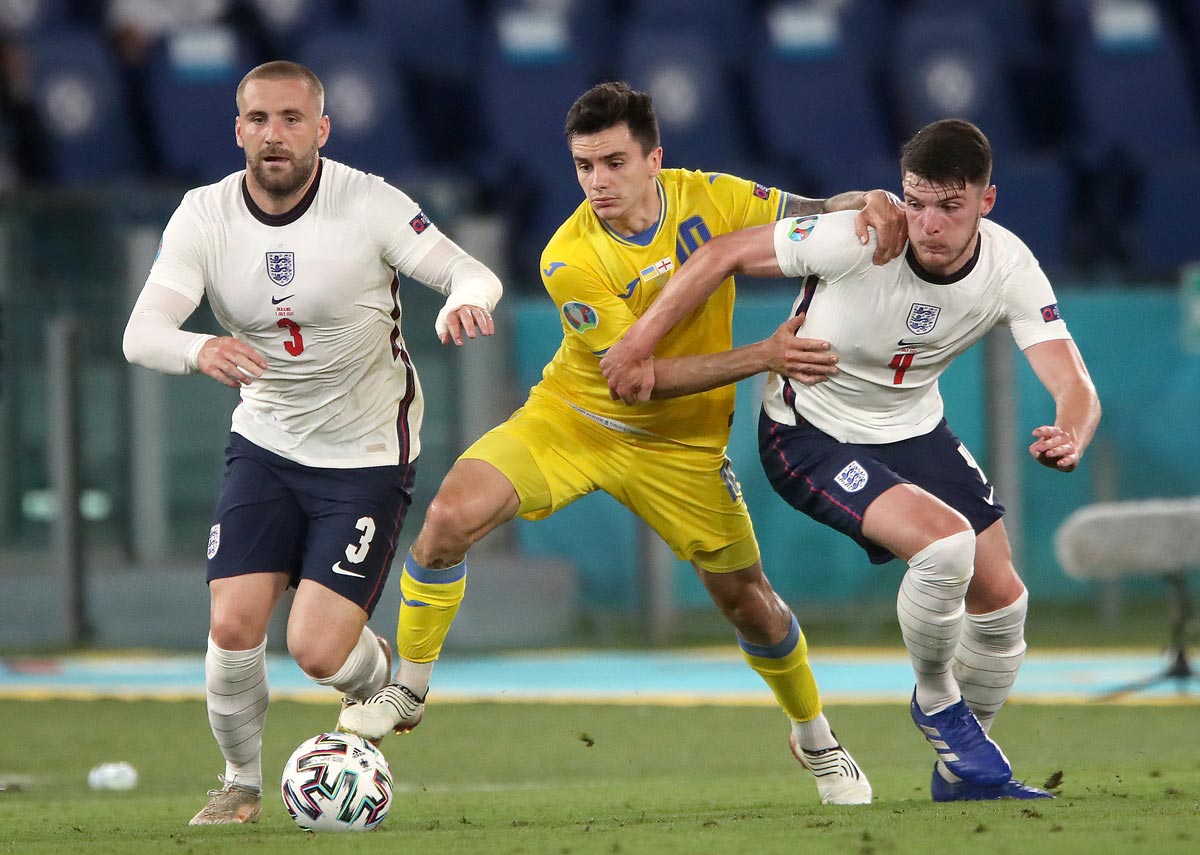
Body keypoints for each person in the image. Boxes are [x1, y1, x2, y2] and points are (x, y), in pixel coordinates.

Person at [338, 81, 907, 806]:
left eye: (612, 162)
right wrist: (761, 355)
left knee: (748, 602)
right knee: (448, 516)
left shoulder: (713, 196)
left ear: (654, 160)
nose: (597, 182)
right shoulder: (567, 256)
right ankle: (409, 687)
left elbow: (815, 216)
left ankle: (815, 736)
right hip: (575, 419)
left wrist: (871, 202)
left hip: (684, 450)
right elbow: (637, 379)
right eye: (583, 166)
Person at [600, 119, 1102, 801]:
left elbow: (1073, 383)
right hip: (809, 429)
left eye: (949, 207)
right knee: (946, 545)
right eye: (915, 200)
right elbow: (720, 254)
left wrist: (1071, 431)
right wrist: (637, 344)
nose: (926, 223)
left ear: (986, 202)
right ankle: (935, 700)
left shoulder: (1011, 266)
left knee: (1004, 603)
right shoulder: (860, 236)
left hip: (913, 429)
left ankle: (963, 766)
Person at [122, 61, 502, 825]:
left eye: (293, 119)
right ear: (238, 130)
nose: (275, 135)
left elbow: (473, 272)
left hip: (366, 452)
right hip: (266, 441)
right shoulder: (203, 215)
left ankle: (381, 671)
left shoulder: (368, 202)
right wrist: (202, 350)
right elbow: (142, 334)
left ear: (321, 130)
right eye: (259, 119)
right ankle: (238, 783)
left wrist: (463, 300)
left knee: (317, 650)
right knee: (232, 624)